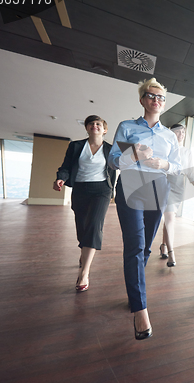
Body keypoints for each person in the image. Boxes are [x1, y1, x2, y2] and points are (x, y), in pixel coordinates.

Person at [108, 78, 181, 340]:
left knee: (147, 246)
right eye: (151, 96)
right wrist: (134, 155)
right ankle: (140, 308)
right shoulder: (127, 127)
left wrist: (164, 165)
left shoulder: (170, 135)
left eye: (161, 97)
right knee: (136, 245)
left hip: (157, 187)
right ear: (142, 100)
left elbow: (176, 166)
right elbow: (114, 160)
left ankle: (133, 289)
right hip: (131, 183)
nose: (156, 100)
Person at [53, 115, 116, 293]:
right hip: (80, 189)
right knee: (82, 228)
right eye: (91, 124)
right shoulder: (76, 146)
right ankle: (84, 253)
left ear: (104, 129)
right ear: (87, 128)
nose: (94, 126)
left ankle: (84, 273)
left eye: (98, 124)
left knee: (95, 226)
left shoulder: (111, 149)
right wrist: (60, 178)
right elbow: (66, 166)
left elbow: (119, 167)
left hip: (102, 190)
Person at [159, 124, 194, 267]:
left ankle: (163, 245)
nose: (181, 134)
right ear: (171, 133)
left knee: (169, 217)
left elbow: (189, 170)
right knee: (170, 217)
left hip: (179, 185)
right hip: (166, 182)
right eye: (178, 131)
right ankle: (171, 253)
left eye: (183, 132)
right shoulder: (165, 148)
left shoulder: (186, 151)